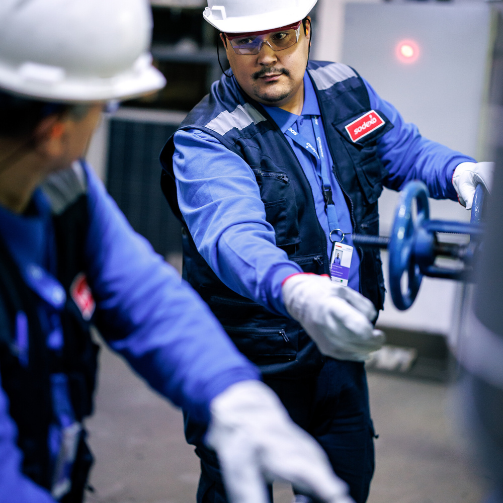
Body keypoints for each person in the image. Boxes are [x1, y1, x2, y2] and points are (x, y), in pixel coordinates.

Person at [0, 1, 357, 503]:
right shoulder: (205, 138)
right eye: (107, 105)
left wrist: (229, 390)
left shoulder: (64, 188)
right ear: (55, 131)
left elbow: (143, 294)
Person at [159, 0, 494, 502]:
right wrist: (296, 290)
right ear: (225, 44)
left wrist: (460, 173)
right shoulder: (209, 139)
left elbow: (403, 151)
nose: (266, 55)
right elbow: (234, 237)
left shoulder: (344, 88)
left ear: (307, 30)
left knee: (343, 483)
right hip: (249, 360)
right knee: (238, 489)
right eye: (247, 40)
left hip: (335, 352)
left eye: (282, 36)